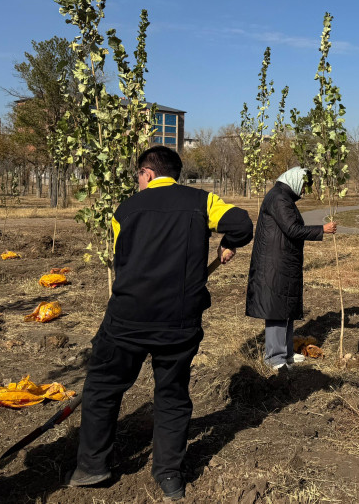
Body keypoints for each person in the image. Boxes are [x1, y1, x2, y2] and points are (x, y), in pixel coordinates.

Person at [70, 146, 254, 500]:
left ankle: (92, 467)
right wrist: (229, 243)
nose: (137, 182)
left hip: (126, 319)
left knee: (102, 389)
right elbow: (243, 224)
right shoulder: (201, 201)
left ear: (148, 174)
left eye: (137, 175)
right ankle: (170, 475)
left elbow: (123, 263)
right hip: (178, 322)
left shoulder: (125, 210)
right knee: (171, 395)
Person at [246, 167, 337, 370]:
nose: (304, 191)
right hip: (275, 263)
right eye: (303, 186)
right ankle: (274, 357)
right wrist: (322, 229)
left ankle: (286, 352)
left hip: (283, 261)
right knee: (277, 310)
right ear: (295, 181)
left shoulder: (283, 197)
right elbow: (292, 229)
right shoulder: (279, 198)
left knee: (285, 307)